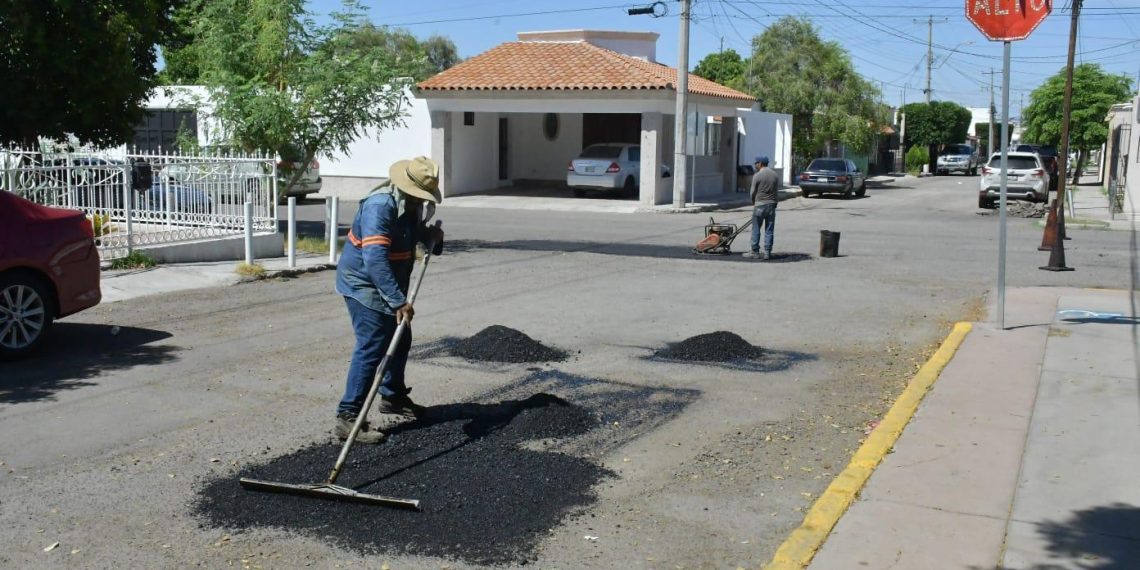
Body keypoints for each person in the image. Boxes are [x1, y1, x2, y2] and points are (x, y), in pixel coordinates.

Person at [332, 156, 444, 443]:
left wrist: (431, 237)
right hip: (363, 282)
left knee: (401, 337)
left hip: (387, 281)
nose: (421, 200)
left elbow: (411, 234)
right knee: (373, 343)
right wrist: (397, 301)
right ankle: (348, 417)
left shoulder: (411, 203)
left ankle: (392, 397)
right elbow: (374, 258)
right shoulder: (380, 207)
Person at [745, 155, 780, 260]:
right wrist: (775, 203)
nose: (755, 165)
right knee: (769, 229)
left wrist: (753, 202)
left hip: (760, 205)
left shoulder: (757, 175)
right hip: (771, 205)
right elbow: (776, 192)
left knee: (756, 228)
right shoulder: (774, 175)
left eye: (756, 163)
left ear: (760, 163)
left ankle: (755, 251)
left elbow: (752, 192)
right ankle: (767, 252)